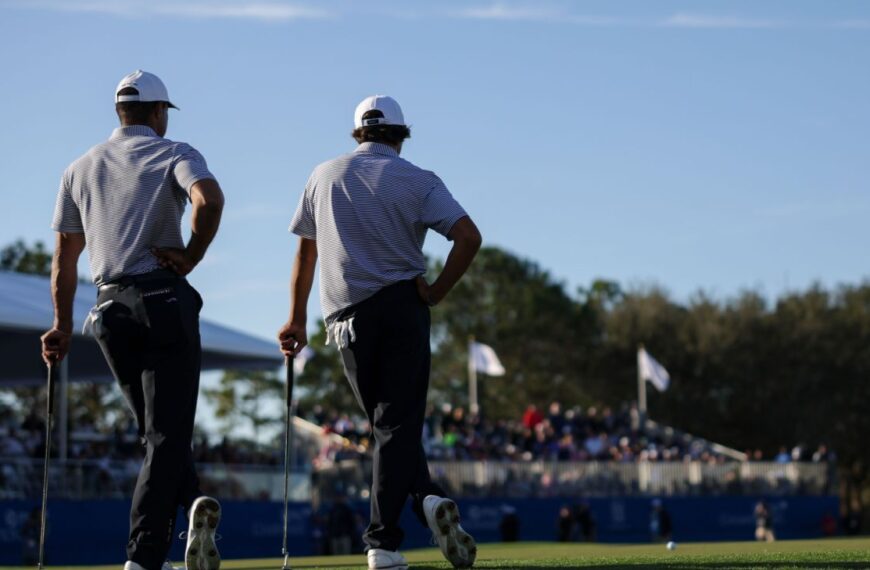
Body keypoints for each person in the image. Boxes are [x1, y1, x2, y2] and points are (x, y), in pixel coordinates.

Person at [279, 95, 482, 570]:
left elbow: (305, 255)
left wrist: (295, 318)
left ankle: (421, 505)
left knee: (388, 426)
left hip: (345, 320)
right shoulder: (419, 180)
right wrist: (435, 292)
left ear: (358, 133)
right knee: (396, 426)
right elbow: (468, 237)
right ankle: (387, 540)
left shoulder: (322, 174)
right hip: (401, 308)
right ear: (401, 134)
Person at [40, 70, 225, 570]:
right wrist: (192, 254)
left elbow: (64, 259)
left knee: (156, 435)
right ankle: (143, 559)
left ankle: (189, 512)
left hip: (108, 311)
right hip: (162, 299)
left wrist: (60, 324)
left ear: (119, 112)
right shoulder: (173, 152)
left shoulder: (79, 168)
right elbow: (209, 199)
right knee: (167, 436)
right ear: (158, 112)